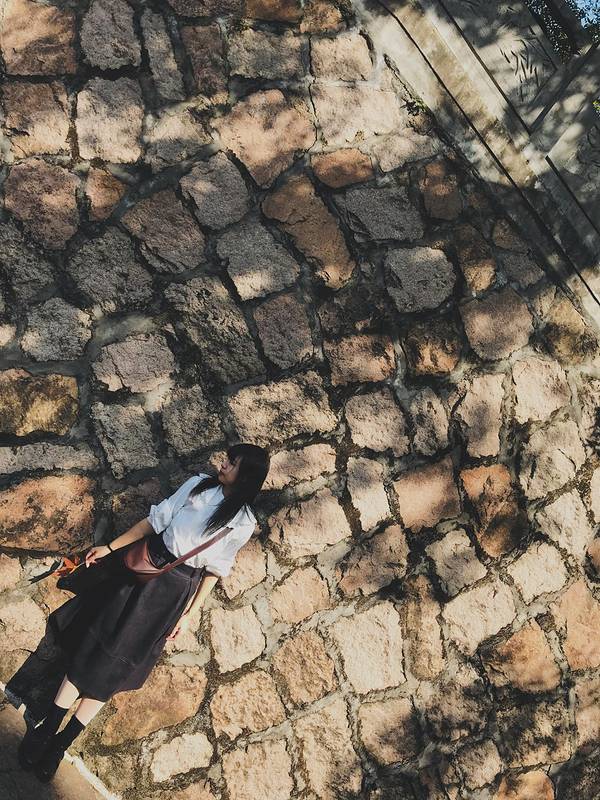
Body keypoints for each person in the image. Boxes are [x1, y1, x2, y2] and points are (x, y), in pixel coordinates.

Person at [17, 442, 270, 782]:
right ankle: (48, 728)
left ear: (247, 475)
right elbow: (154, 522)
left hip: (172, 594)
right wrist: (110, 547)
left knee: (117, 666)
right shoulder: (198, 486)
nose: (223, 464)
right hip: (142, 569)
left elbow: (214, 571)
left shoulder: (242, 522)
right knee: (93, 646)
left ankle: (61, 744)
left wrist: (189, 615)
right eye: (227, 458)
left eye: (232, 462)